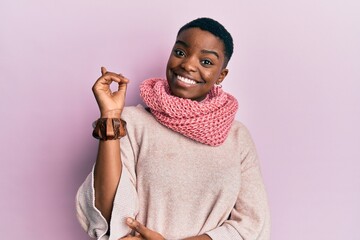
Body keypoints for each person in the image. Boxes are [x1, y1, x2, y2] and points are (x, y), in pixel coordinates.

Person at [76, 17, 270, 240]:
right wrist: (110, 117)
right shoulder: (130, 122)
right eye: (180, 52)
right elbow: (109, 216)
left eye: (206, 62)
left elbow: (252, 224)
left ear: (221, 76)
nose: (188, 64)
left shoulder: (237, 137)